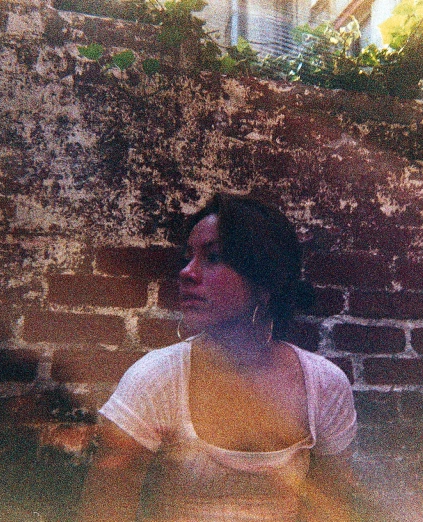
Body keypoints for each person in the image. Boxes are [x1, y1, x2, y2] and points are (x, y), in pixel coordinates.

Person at [79, 193, 359, 522]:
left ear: (264, 280)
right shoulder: (157, 379)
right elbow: (104, 510)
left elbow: (333, 510)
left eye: (212, 258)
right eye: (188, 258)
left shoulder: (324, 385)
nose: (186, 273)